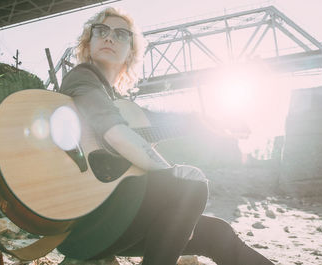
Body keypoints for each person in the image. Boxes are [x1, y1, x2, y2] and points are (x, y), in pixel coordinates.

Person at [56, 7, 275, 265]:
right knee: (191, 182)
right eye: (101, 31)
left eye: (121, 34)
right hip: (83, 224)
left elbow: (145, 136)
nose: (109, 38)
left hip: (110, 222)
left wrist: (210, 124)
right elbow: (116, 135)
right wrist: (181, 189)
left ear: (131, 51)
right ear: (88, 41)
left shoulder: (119, 103)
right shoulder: (83, 78)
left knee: (218, 233)